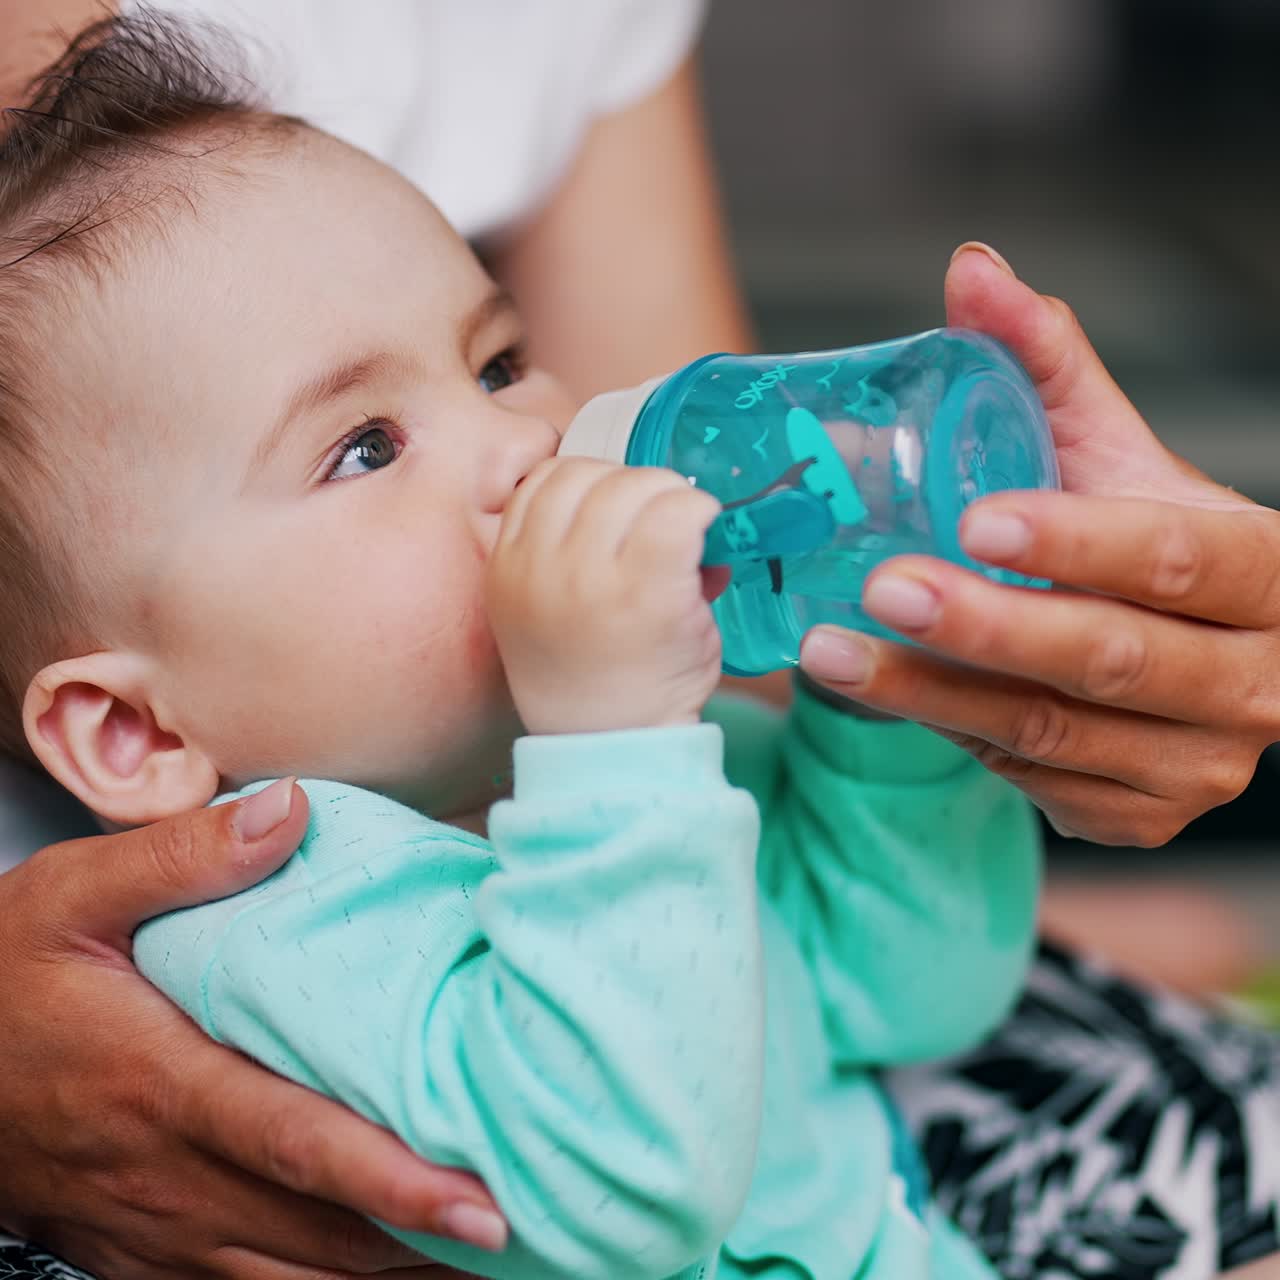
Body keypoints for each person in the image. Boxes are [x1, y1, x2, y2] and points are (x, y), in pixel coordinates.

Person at [0, 7, 1276, 1280]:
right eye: (366, 446)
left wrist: (883, 710)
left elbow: (909, 996)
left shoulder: (672, 753)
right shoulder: (278, 930)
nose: (521, 444)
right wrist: (611, 749)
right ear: (137, 730)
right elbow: (615, 1203)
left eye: (497, 364)